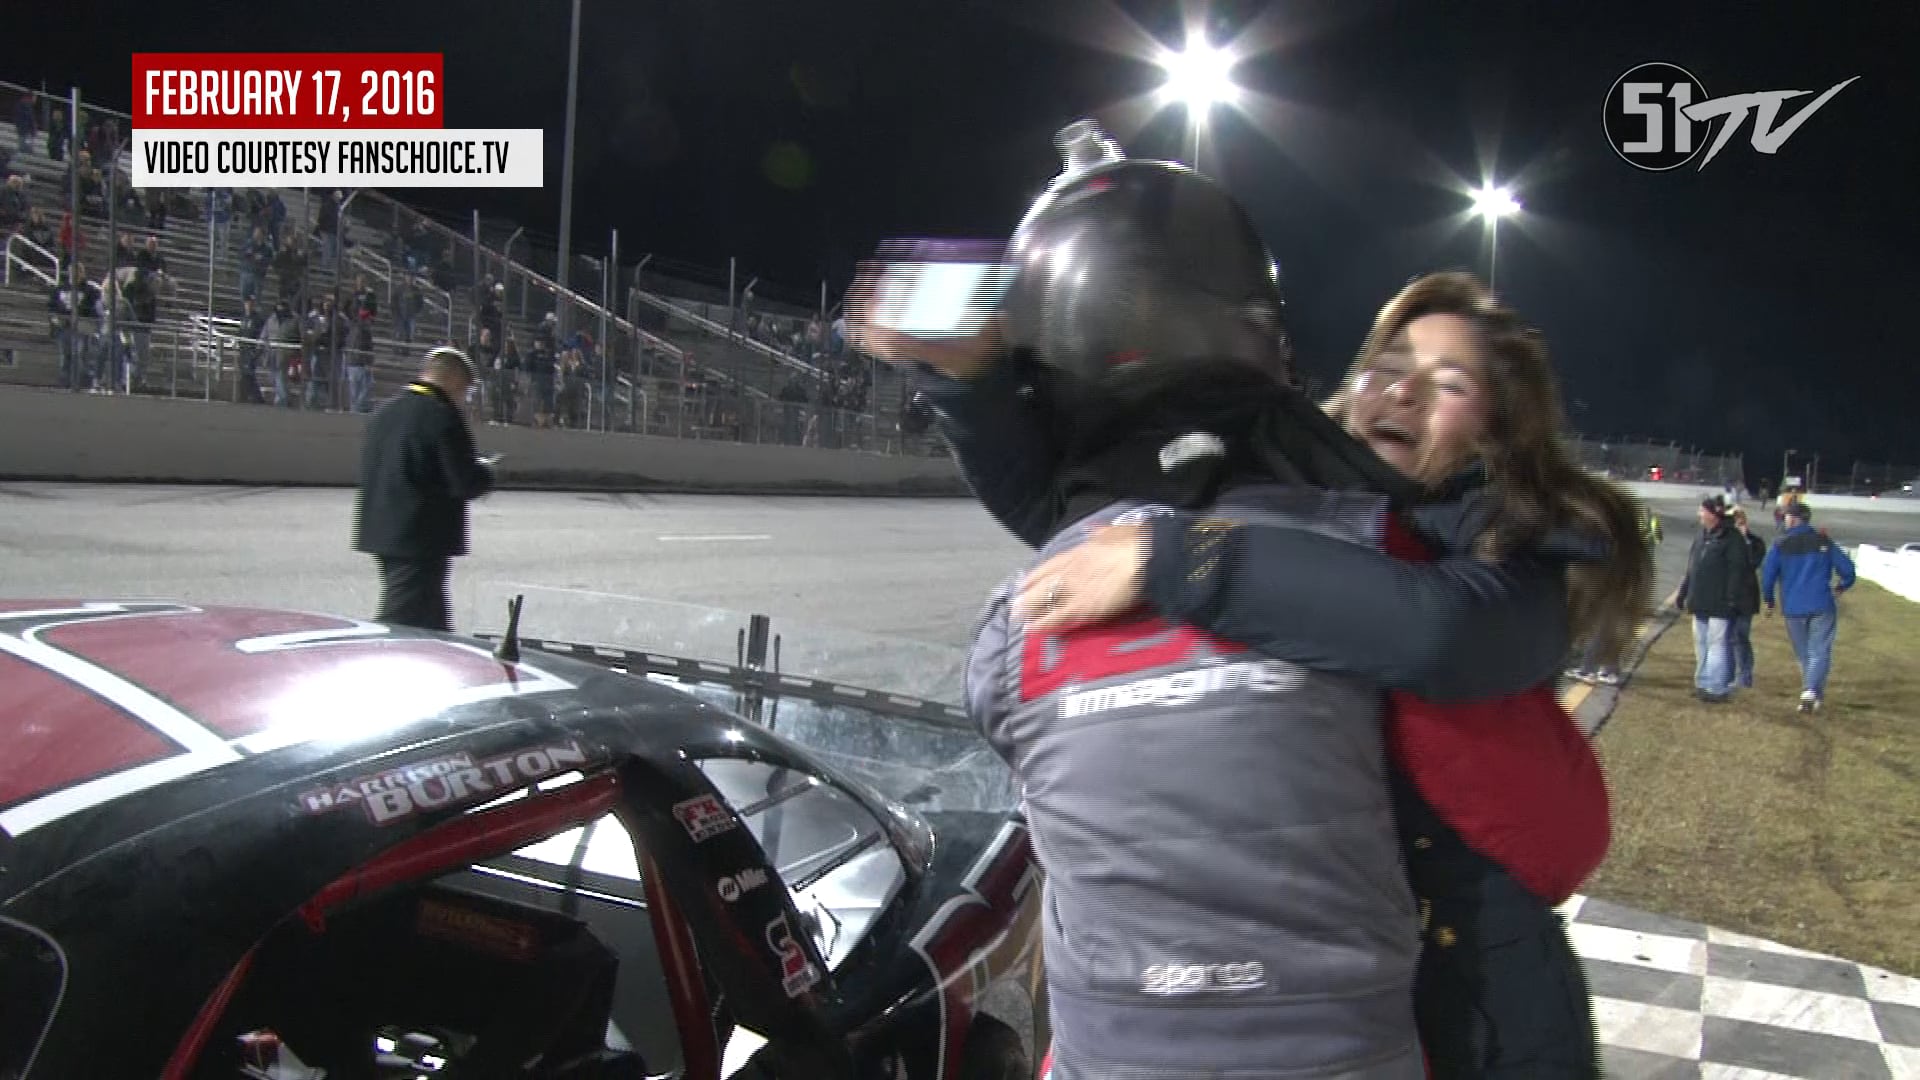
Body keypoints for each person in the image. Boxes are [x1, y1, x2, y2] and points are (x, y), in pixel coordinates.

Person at [859, 122, 1645, 1079]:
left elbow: (1441, 630)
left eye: (1447, 384)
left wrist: (1175, 561)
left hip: (1473, 1000)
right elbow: (1074, 509)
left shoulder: (1493, 544)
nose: (1401, 392)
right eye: (1387, 368)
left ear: (1498, 430)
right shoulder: (1310, 499)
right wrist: (971, 378)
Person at [352, 347, 497, 632]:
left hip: (381, 529)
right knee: (399, 619)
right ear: (454, 380)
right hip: (419, 537)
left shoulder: (385, 413)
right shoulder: (441, 416)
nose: (463, 400)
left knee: (431, 621)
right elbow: (463, 481)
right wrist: (487, 471)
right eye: (465, 392)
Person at [1760, 501, 1856, 712]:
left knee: (1804, 653)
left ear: (1793, 519)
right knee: (1819, 650)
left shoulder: (1780, 544)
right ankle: (1813, 692)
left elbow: (1767, 577)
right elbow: (1848, 569)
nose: (1784, 520)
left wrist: (1769, 599)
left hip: (1794, 607)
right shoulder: (1823, 541)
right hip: (1822, 603)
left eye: (1786, 517)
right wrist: (1842, 586)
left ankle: (1810, 691)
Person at [1677, 495, 1752, 703]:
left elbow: (1737, 571)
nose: (1699, 514)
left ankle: (1716, 687)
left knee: (1717, 644)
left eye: (1702, 511)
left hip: (1720, 603)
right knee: (1700, 643)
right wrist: (1683, 593)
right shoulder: (1701, 536)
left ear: (1713, 514)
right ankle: (1702, 683)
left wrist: (1731, 599)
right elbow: (1692, 568)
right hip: (1699, 599)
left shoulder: (1732, 538)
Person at [1727, 507, 1767, 690]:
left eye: (1740, 521)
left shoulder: (1756, 543)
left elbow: (1752, 562)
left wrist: (1744, 541)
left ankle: (1744, 677)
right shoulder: (1723, 541)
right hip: (1724, 596)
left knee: (1740, 637)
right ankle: (1726, 675)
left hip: (1745, 598)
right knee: (1724, 638)